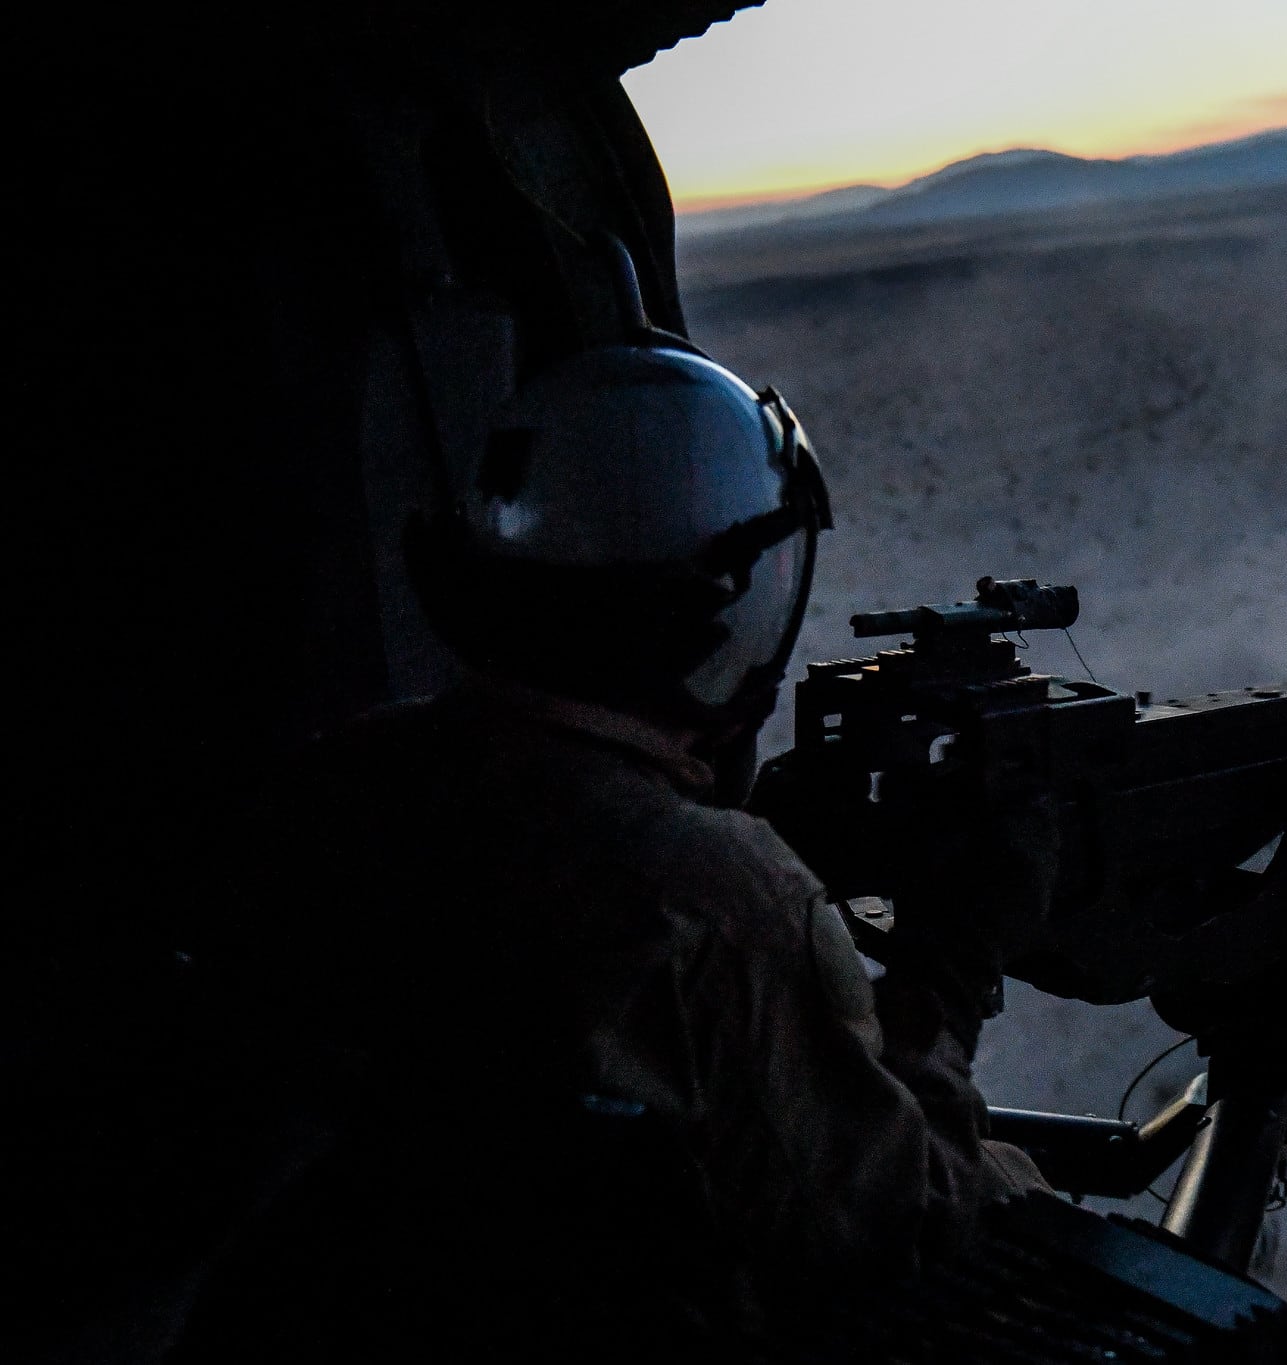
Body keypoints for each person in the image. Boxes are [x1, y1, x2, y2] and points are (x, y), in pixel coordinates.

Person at [169, 339, 1048, 1361]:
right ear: (735, 603)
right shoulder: (712, 895)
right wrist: (948, 967)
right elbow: (905, 1234)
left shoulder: (355, 777)